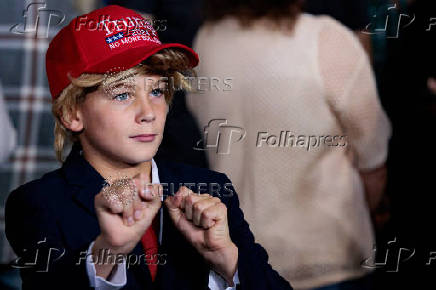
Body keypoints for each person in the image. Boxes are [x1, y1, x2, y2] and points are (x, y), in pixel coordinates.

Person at [4, 5, 292, 290]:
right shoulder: (38, 203)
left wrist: (227, 261)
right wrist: (108, 253)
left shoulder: (211, 187)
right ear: (72, 114)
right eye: (122, 94)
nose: (148, 113)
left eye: (156, 91)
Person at [187, 0, 391, 289]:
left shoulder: (207, 40)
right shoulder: (325, 39)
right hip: (329, 257)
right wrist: (369, 211)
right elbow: (373, 158)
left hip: (241, 258)